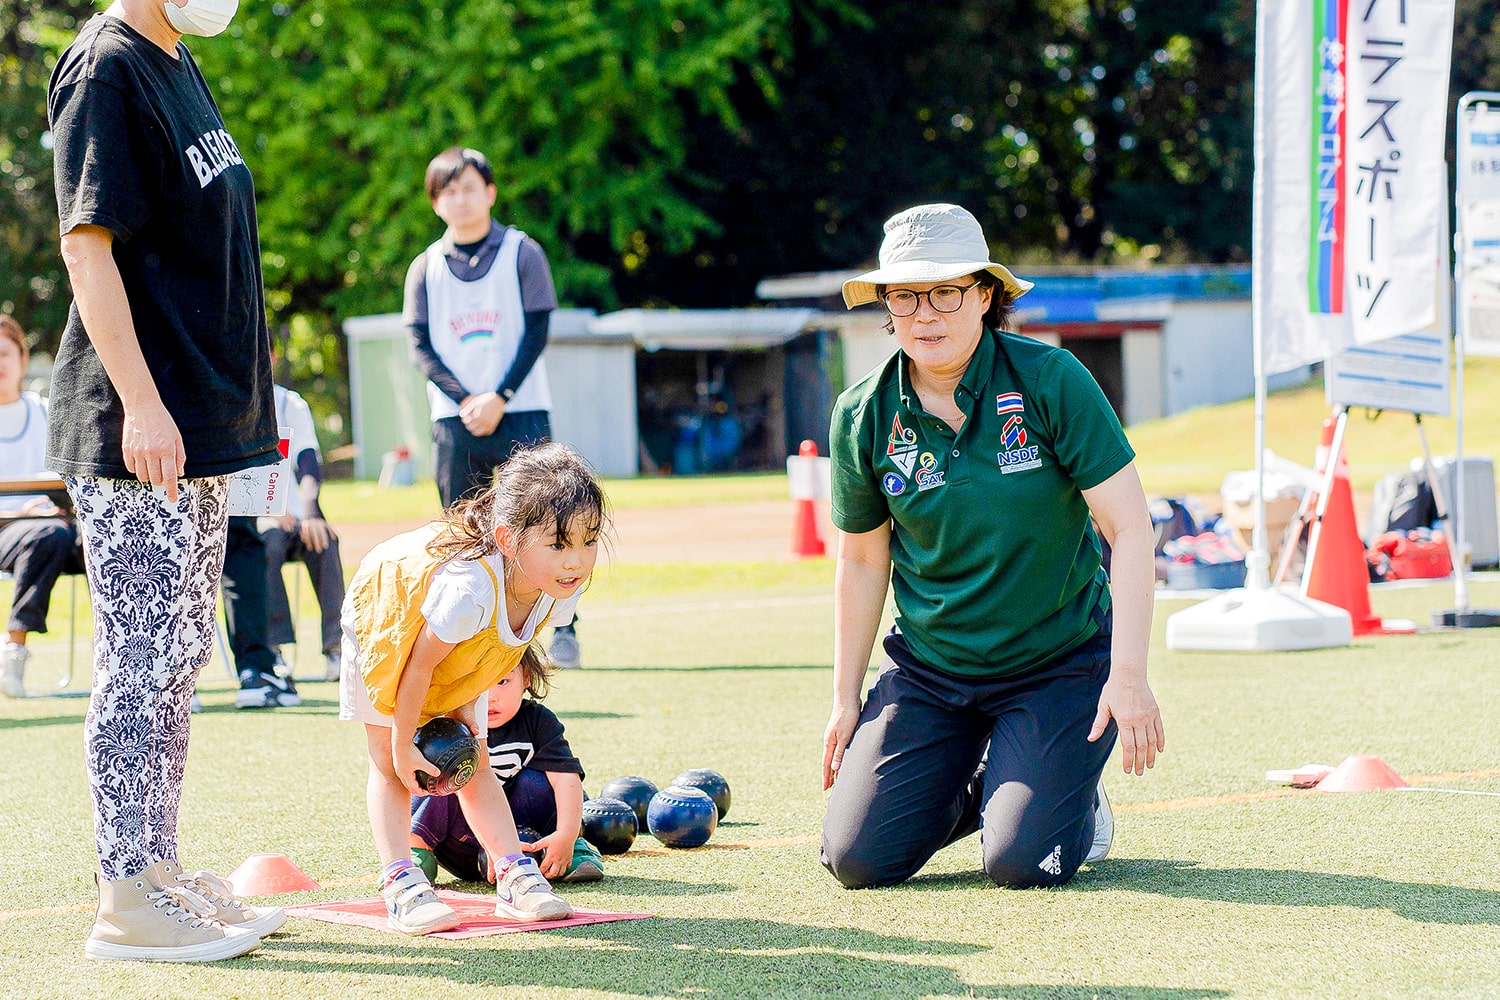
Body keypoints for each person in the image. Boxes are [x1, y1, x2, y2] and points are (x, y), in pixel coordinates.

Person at [819, 204, 1165, 891]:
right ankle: (1014, 777)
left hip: (1057, 662)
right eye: (905, 296)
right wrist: (844, 697)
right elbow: (862, 561)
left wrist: (1127, 675)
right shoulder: (861, 412)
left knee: (1020, 865)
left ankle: (1062, 796)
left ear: (984, 294)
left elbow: (1129, 529)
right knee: (857, 860)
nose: (925, 314)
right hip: (932, 670)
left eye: (945, 291)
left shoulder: (1051, 380)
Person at [48, 0, 284, 962]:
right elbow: (86, 244)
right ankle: (125, 901)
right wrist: (143, 405)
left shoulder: (173, 57)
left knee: (178, 659)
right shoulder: (105, 65)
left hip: (195, 434)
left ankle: (157, 871)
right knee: (139, 664)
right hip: (136, 431)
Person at [338, 441, 605, 935]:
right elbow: (418, 667)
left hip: (459, 649)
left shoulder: (558, 591)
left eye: (589, 541)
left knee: (474, 755)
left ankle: (512, 873)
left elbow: (482, 652)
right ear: (507, 539)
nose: (577, 561)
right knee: (388, 763)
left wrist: (464, 714)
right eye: (559, 544)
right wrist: (402, 746)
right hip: (388, 613)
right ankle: (400, 881)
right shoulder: (470, 588)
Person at [402, 146, 583, 669]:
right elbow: (419, 344)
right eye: (448, 191)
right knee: (461, 530)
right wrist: (467, 401)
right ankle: (464, 630)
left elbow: (537, 329)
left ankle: (563, 627)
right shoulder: (426, 267)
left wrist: (499, 397)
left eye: (469, 188)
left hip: (521, 411)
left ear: (491, 192)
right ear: (436, 202)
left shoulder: (523, 252)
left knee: (549, 521)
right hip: (454, 420)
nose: (460, 200)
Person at [409, 644, 605, 887]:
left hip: (533, 840)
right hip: (467, 845)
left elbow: (567, 779)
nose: (489, 696)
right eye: (477, 684)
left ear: (526, 679)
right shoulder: (444, 727)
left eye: (502, 681)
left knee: (539, 780)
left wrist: (566, 835)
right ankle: (416, 855)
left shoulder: (538, 721)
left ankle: (572, 849)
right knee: (440, 778)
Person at [0, 315, 87, 697]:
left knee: (114, 542)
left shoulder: (47, 413)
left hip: (58, 529)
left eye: (4, 354)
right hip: (14, 532)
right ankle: (14, 649)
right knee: (45, 534)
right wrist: (23, 513)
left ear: (22, 357)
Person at [260, 377, 346, 682]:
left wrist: (311, 511)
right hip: (249, 519)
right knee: (266, 544)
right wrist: (266, 505)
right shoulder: (229, 399)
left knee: (324, 540)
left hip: (293, 519)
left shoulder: (289, 403)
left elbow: (308, 462)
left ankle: (336, 647)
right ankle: (275, 649)